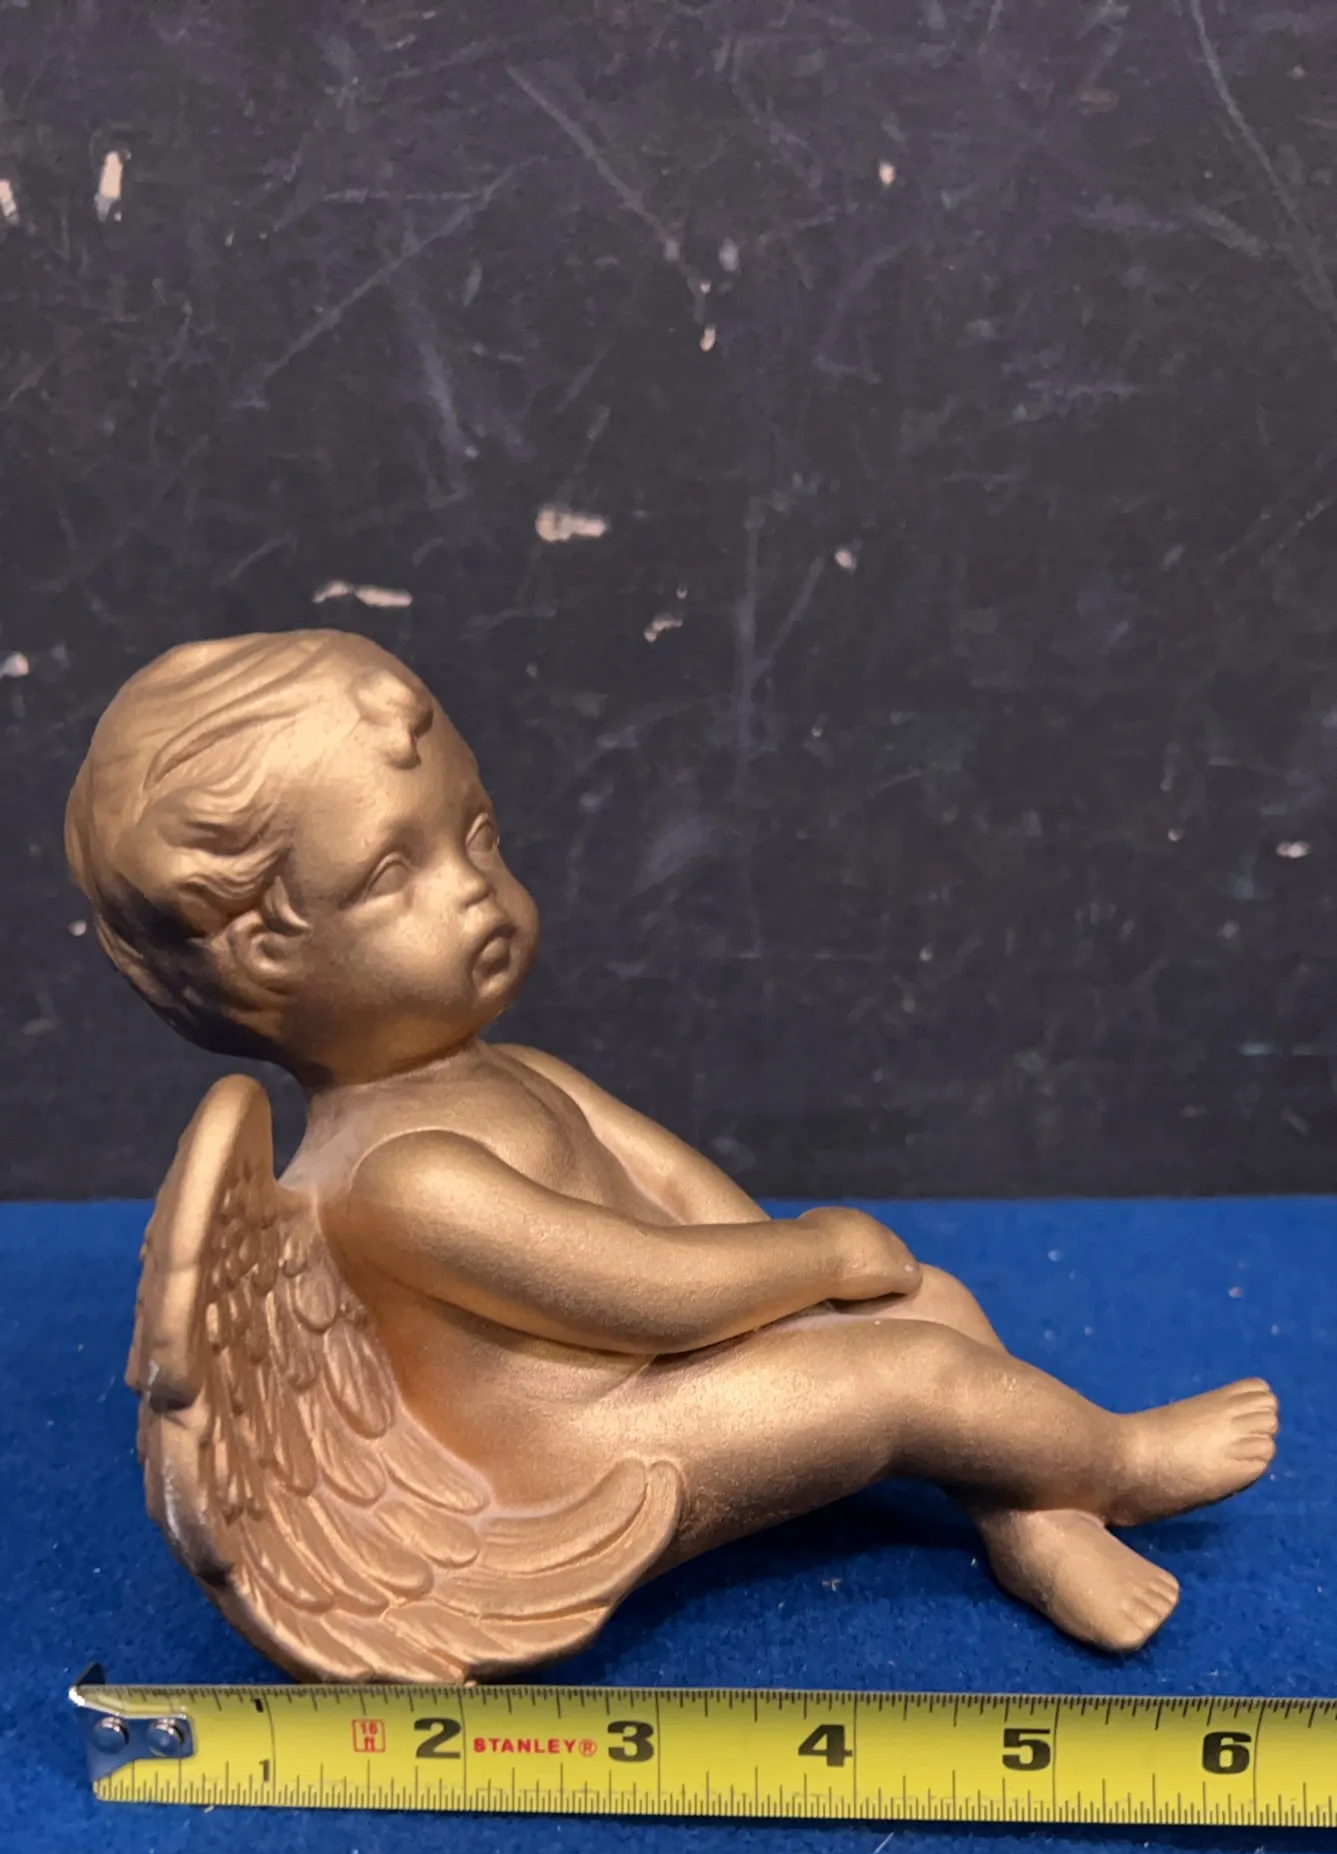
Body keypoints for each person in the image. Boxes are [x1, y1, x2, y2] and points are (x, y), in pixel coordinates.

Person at [66, 630, 1277, 1657]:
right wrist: (809, 1266)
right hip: (596, 1449)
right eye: (394, 872)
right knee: (908, 1376)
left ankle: (1032, 1519)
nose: (473, 886)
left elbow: (675, 1187)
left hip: (671, 1365)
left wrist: (801, 1299)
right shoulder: (401, 1181)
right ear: (264, 959)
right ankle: (1118, 1463)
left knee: (932, 1306)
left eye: (476, 835)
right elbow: (635, 1292)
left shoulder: (517, 1073)